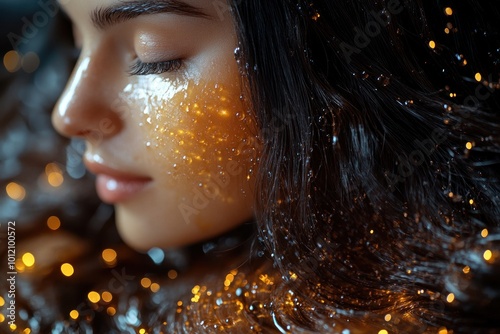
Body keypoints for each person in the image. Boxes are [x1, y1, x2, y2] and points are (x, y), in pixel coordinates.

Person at [3, 0, 500, 332]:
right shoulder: (44, 210)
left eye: (153, 56)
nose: (68, 114)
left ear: (329, 65)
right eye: (75, 35)